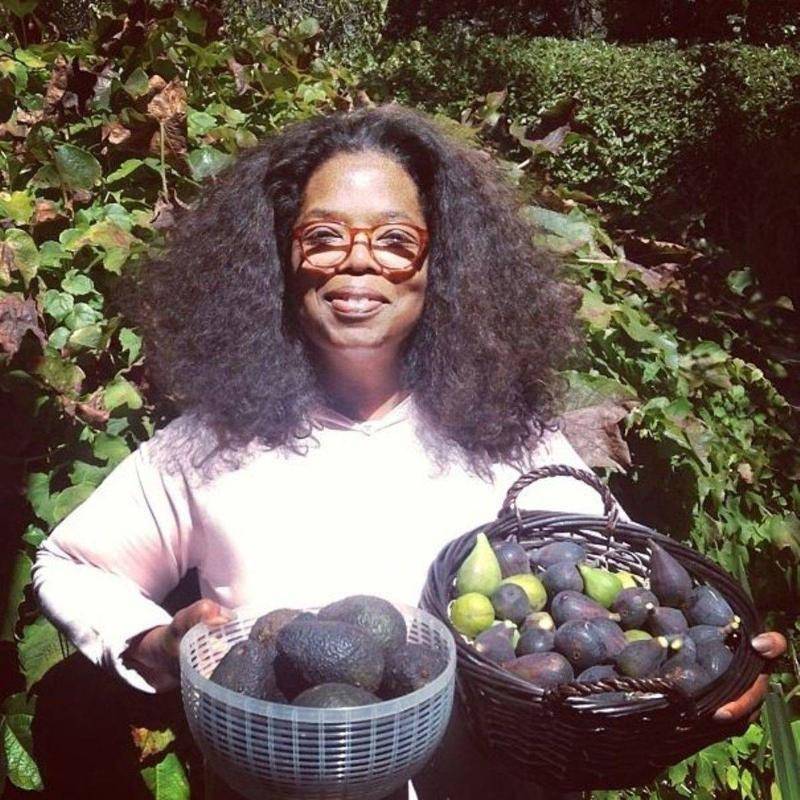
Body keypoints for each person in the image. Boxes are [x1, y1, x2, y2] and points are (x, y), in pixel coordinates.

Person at [32, 105, 785, 799]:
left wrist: (711, 671)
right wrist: (151, 644)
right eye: (323, 236)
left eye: (395, 241)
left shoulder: (515, 441)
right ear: (279, 259)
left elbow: (629, 595)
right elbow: (72, 563)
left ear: (439, 265)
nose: (357, 263)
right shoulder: (210, 446)